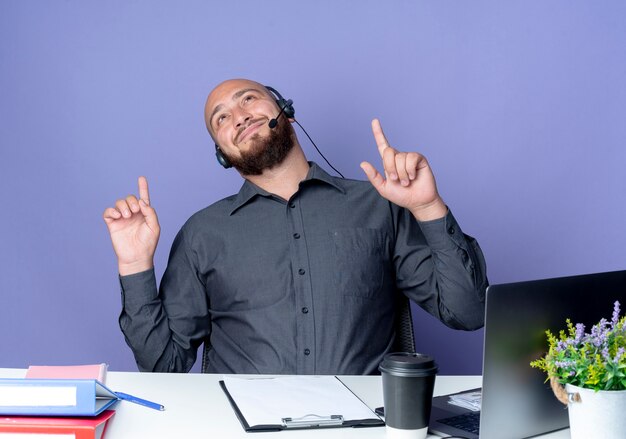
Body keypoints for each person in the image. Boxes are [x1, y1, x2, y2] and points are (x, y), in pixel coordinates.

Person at [103, 78, 488, 374]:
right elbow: (162, 366)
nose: (238, 117)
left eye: (248, 99)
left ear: (285, 110)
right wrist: (135, 265)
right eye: (221, 118)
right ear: (223, 153)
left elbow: (469, 312)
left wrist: (428, 206)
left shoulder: (380, 205)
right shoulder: (201, 234)